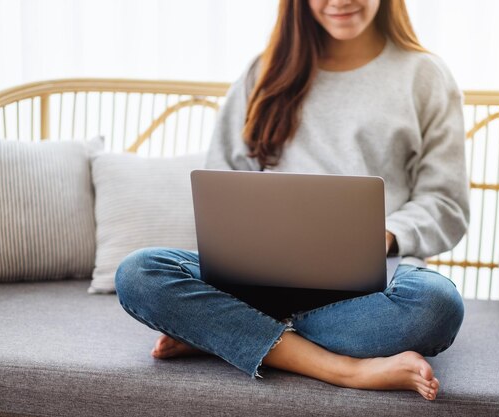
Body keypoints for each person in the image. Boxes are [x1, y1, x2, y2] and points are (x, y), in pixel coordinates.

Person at [115, 0, 469, 401]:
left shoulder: (425, 75)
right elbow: (224, 184)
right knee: (138, 272)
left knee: (437, 305)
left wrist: (383, 235)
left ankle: (226, 332)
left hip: (373, 289)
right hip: (259, 279)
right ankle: (345, 369)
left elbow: (446, 202)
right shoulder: (262, 72)